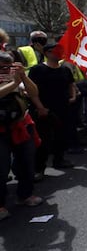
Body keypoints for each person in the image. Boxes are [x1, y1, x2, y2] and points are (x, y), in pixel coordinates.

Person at [0, 51, 43, 221]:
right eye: (1, 68)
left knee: (26, 160)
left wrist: (22, 77)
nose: (5, 71)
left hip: (20, 125)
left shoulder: (16, 79)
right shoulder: (10, 82)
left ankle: (25, 195)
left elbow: (34, 92)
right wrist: (12, 84)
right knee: (1, 167)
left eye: (8, 67)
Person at [29, 41, 77, 181]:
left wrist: (73, 96)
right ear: (48, 53)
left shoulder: (64, 70)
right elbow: (32, 91)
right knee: (43, 141)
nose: (61, 53)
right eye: (57, 50)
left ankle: (59, 160)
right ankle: (39, 168)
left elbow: (71, 84)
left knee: (61, 136)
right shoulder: (37, 70)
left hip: (63, 109)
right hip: (44, 111)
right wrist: (40, 107)